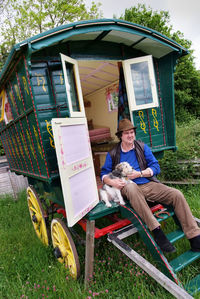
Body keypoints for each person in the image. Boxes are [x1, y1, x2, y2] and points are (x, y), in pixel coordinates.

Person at [101, 118, 200, 253]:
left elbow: (155, 167)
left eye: (132, 132)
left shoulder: (142, 147)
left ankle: (195, 237)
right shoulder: (113, 153)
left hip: (146, 183)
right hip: (126, 187)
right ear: (120, 136)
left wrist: (140, 173)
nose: (130, 135)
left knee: (176, 194)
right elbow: (104, 173)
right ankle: (157, 232)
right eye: (126, 133)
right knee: (131, 187)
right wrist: (112, 182)